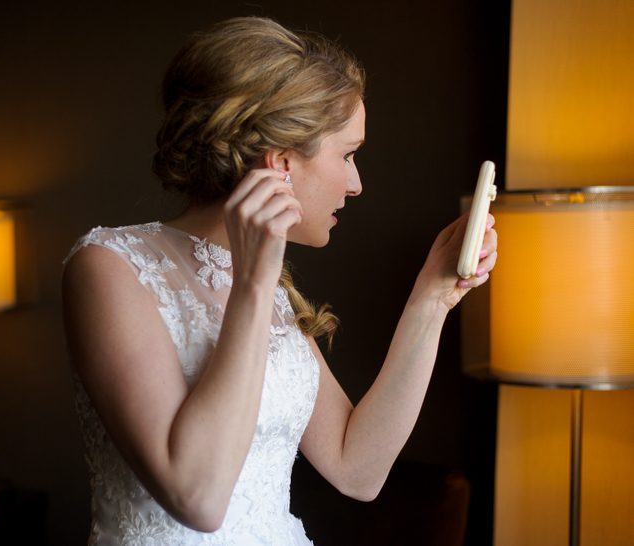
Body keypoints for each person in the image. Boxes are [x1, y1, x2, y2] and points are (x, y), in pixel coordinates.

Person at [62, 16, 497, 545]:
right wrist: (253, 281)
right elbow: (196, 497)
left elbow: (356, 470)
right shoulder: (108, 265)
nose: (356, 184)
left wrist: (431, 302)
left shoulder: (271, 291)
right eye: (348, 154)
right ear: (282, 163)